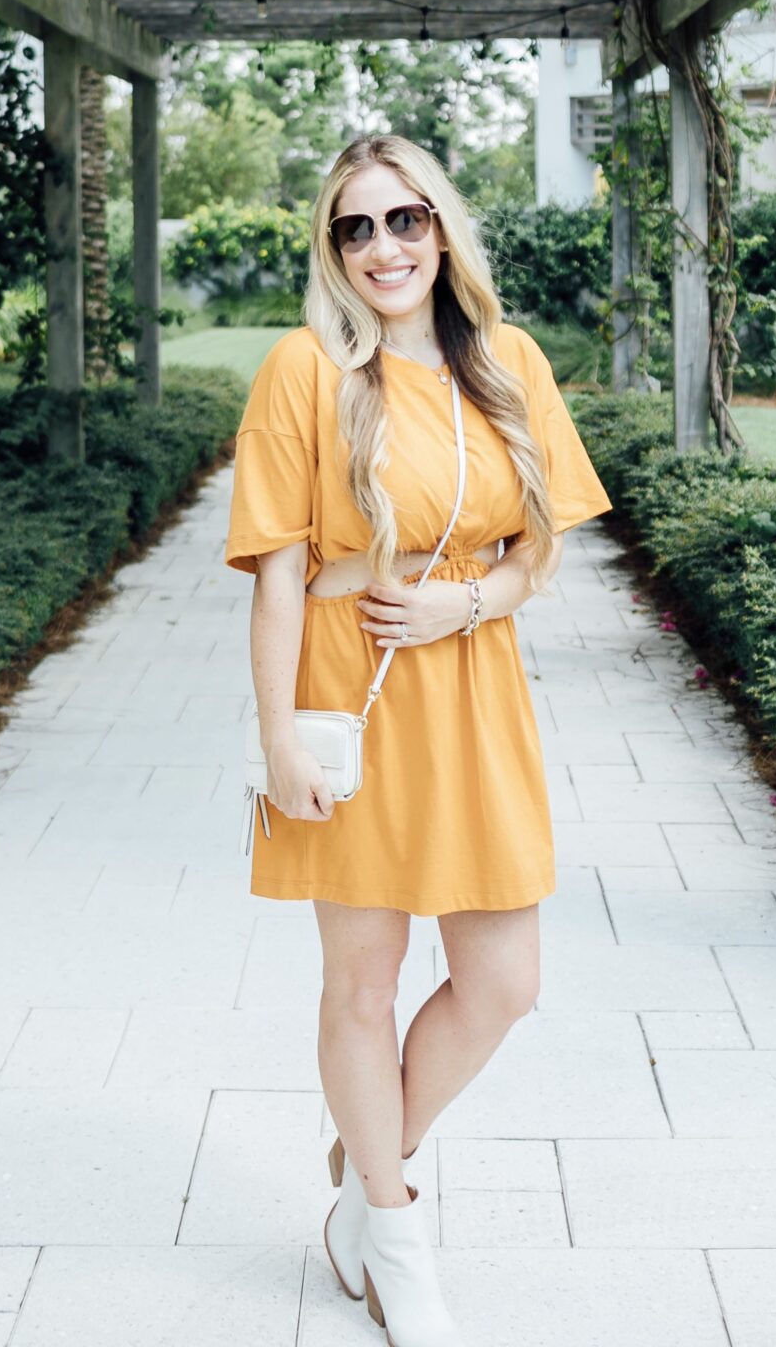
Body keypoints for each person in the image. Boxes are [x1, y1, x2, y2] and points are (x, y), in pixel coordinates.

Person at [224, 133, 610, 1346]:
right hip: (352, 689)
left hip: (474, 684)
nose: (383, 246)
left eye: (404, 220)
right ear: (332, 250)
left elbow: (541, 543)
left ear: (440, 229)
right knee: (364, 978)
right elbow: (277, 576)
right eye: (355, 227)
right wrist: (279, 731)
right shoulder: (304, 370)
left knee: (505, 980)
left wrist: (469, 601)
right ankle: (389, 1231)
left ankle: (363, 1153)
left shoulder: (508, 363)